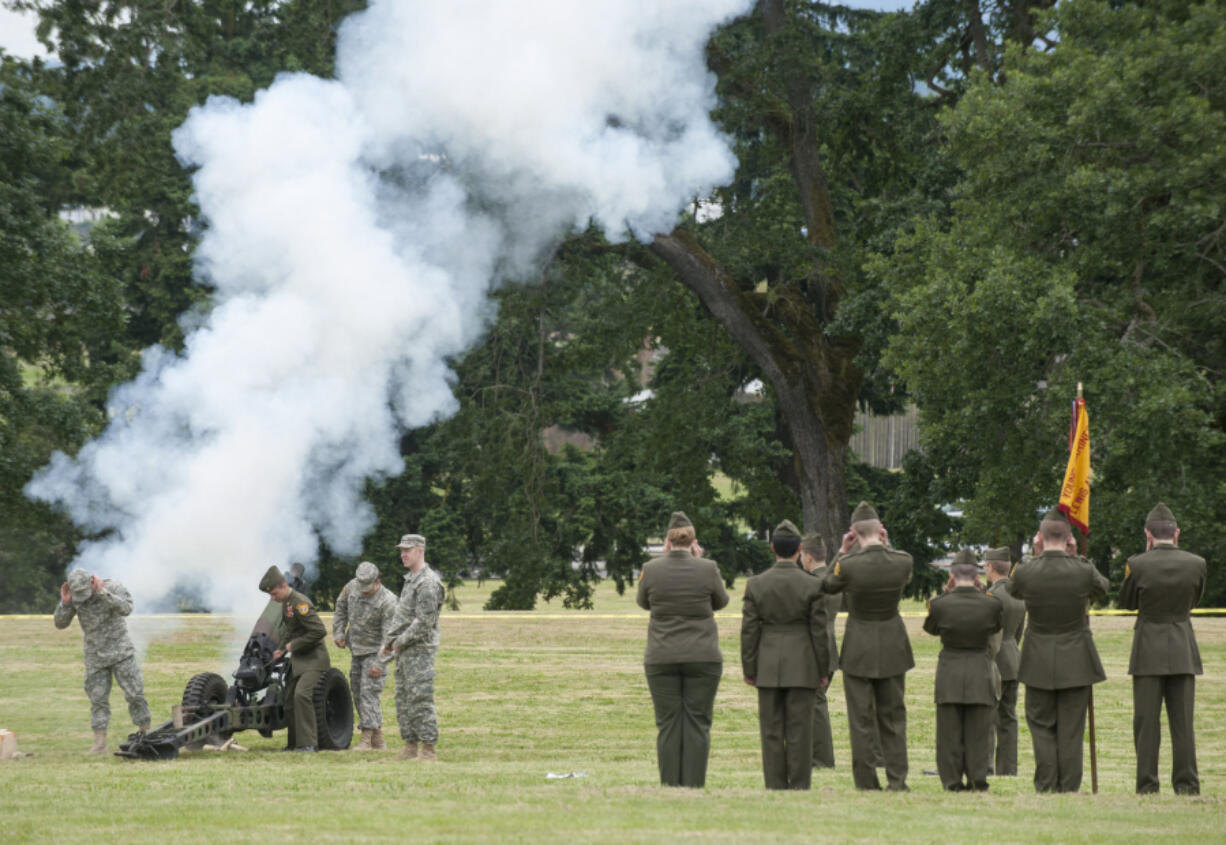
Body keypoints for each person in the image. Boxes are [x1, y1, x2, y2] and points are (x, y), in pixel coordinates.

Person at [1009, 508, 1108, 792]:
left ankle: (1046, 784)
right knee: (1072, 730)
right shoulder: (1082, 569)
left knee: (1041, 726)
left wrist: (1038, 556)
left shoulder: (1027, 571)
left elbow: (1014, 590)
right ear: (1069, 539)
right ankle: (1069, 787)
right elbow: (1102, 589)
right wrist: (1077, 556)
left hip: (1038, 658)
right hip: (1076, 659)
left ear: (1039, 537)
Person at [822, 500, 914, 791]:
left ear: (853, 532)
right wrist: (887, 547)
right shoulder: (902, 560)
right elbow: (905, 577)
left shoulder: (848, 565)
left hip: (858, 646)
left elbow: (826, 583)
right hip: (892, 644)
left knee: (860, 719)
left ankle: (866, 782)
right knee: (893, 717)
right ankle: (897, 780)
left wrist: (842, 551)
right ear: (881, 530)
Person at [636, 511, 729, 787]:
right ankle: (693, 784)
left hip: (662, 655)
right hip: (702, 655)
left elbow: (643, 602)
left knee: (668, 724)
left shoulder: (651, 569)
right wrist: (699, 563)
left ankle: (670, 784)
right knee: (698, 722)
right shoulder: (708, 568)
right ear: (693, 541)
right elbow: (721, 601)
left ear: (667, 541)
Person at [1119, 502, 1205, 795]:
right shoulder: (1197, 563)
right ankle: (1187, 784)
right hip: (1182, 646)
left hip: (1147, 651)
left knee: (1146, 724)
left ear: (1148, 534)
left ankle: (1146, 785)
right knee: (1183, 724)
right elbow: (1195, 600)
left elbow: (1127, 602)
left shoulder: (1137, 563)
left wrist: (1143, 556)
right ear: (1176, 533)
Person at [742, 519, 830, 790]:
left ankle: (775, 784)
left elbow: (749, 631)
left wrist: (749, 667)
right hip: (803, 662)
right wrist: (823, 669)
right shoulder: (812, 584)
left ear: (772, 548)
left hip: (768, 662)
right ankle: (800, 783)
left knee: (771, 729)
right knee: (800, 729)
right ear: (799, 549)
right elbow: (819, 632)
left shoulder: (756, 584)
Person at [923, 550, 1003, 791]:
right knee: (979, 729)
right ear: (977, 575)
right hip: (980, 668)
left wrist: (947, 593)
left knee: (949, 731)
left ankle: (952, 780)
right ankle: (978, 778)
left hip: (950, 670)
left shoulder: (939, 605)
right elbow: (996, 627)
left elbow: (931, 629)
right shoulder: (992, 604)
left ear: (952, 575)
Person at [54, 569, 151, 754]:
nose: (83, 598)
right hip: (95, 657)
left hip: (121, 653)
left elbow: (127, 609)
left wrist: (102, 593)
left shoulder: (113, 587)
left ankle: (145, 734)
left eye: (86, 592)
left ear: (92, 581)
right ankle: (99, 744)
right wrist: (65, 604)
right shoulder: (74, 597)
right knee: (97, 700)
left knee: (135, 695)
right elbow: (60, 624)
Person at [381, 533, 445, 761]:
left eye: (407, 550)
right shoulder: (411, 580)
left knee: (420, 698)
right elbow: (403, 615)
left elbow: (424, 622)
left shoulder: (428, 583)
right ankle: (410, 746)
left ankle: (428, 749)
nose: (403, 554)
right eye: (401, 550)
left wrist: (400, 641)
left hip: (419, 651)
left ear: (420, 550)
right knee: (404, 699)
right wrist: (390, 642)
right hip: (404, 650)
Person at [259, 565, 330, 752]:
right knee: (289, 700)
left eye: (274, 594)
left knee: (302, 695)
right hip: (298, 661)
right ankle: (294, 743)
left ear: (284, 585)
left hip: (314, 660)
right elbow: (290, 629)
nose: (272, 598)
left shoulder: (300, 602)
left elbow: (319, 631)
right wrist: (281, 649)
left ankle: (309, 744)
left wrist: (294, 645)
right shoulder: (286, 603)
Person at [333, 560, 397, 751]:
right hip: (357, 650)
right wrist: (338, 632)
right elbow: (340, 607)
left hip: (376, 652)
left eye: (367, 588)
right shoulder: (351, 587)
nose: (363, 591)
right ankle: (378, 739)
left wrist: (380, 663)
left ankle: (366, 740)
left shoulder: (388, 601)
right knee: (357, 691)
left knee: (369, 693)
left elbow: (390, 638)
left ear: (377, 581)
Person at [800, 531, 841, 769]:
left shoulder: (815, 583)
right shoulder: (831, 579)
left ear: (807, 557)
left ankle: (822, 759)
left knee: (816, 705)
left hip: (816, 650)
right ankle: (816, 756)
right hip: (829, 647)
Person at [984, 546, 1025, 776]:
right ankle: (1008, 768)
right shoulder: (1019, 596)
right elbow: (1019, 632)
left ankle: (987, 765)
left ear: (990, 567)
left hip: (995, 661)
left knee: (989, 716)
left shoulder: (992, 597)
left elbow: (988, 634)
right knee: (1009, 717)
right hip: (1013, 659)